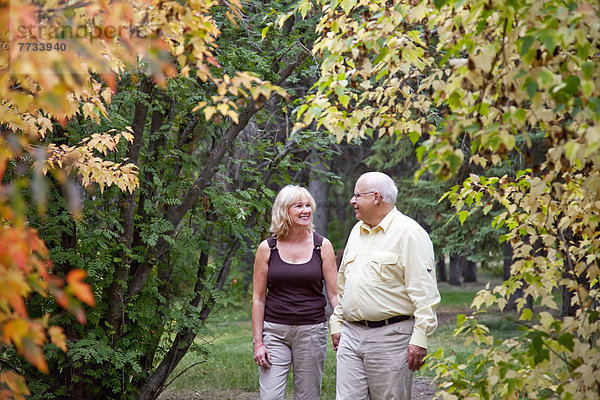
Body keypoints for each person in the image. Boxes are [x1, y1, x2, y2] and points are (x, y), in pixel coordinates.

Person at [330, 172, 441, 400]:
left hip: (391, 338)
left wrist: (420, 339)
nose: (352, 201)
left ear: (376, 197)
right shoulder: (356, 231)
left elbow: (425, 294)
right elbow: (344, 284)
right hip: (350, 336)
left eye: (357, 195)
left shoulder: (410, 233)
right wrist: (337, 322)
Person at [252, 185, 339, 400]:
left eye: (308, 205)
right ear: (284, 211)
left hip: (311, 331)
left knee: (307, 397)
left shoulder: (322, 246)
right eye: (298, 206)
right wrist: (258, 343)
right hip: (274, 333)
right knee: (270, 397)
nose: (306, 210)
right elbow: (258, 298)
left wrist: (342, 327)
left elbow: (335, 294)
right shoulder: (267, 248)